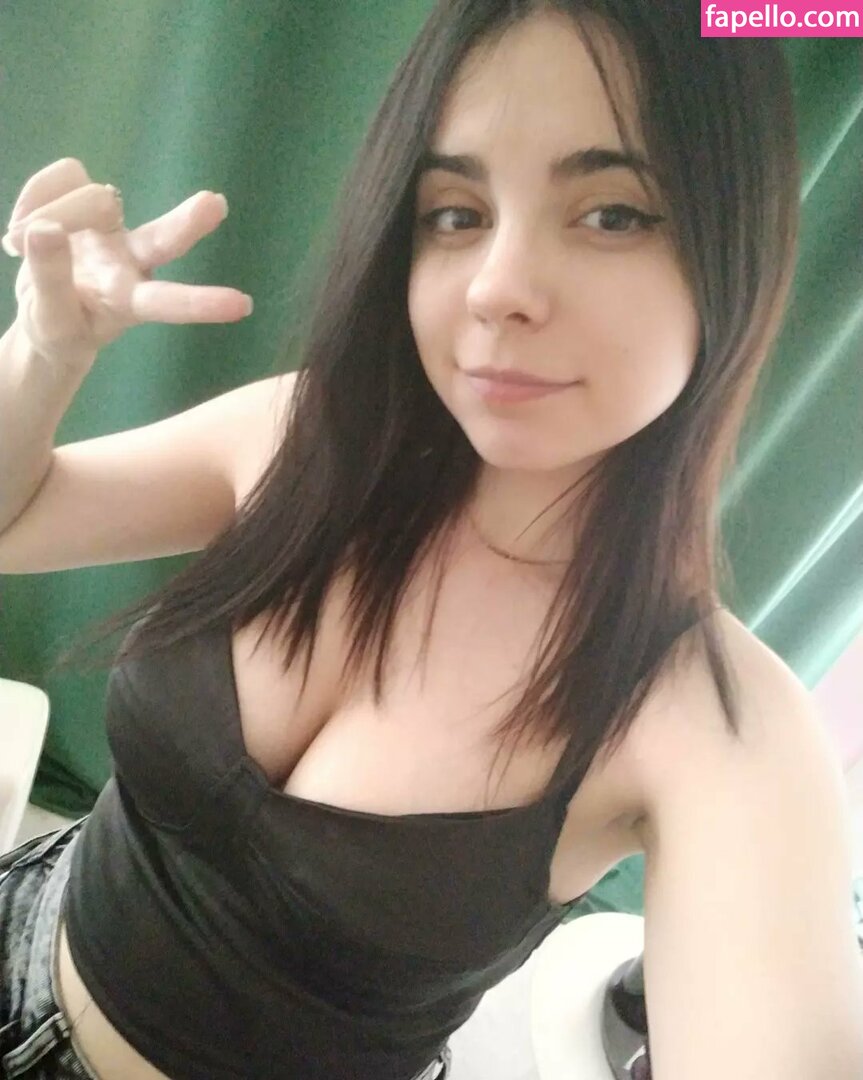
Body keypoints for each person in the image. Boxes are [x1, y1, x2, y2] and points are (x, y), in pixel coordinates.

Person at [1, 2, 846, 1079]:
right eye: (455, 213)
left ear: (733, 254)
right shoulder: (303, 439)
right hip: (28, 920)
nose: (495, 287)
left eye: (612, 213)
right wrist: (45, 349)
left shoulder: (713, 726)